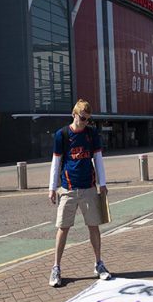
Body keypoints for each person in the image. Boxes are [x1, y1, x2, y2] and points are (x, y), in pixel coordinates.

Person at [48, 99, 113, 287]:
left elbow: (98, 159)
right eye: (83, 118)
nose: (85, 122)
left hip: (89, 187)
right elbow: (56, 162)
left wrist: (103, 183)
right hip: (68, 189)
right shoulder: (62, 135)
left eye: (88, 119)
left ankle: (98, 263)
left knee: (94, 226)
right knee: (63, 228)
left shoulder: (92, 134)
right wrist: (52, 188)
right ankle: (56, 267)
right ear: (74, 115)